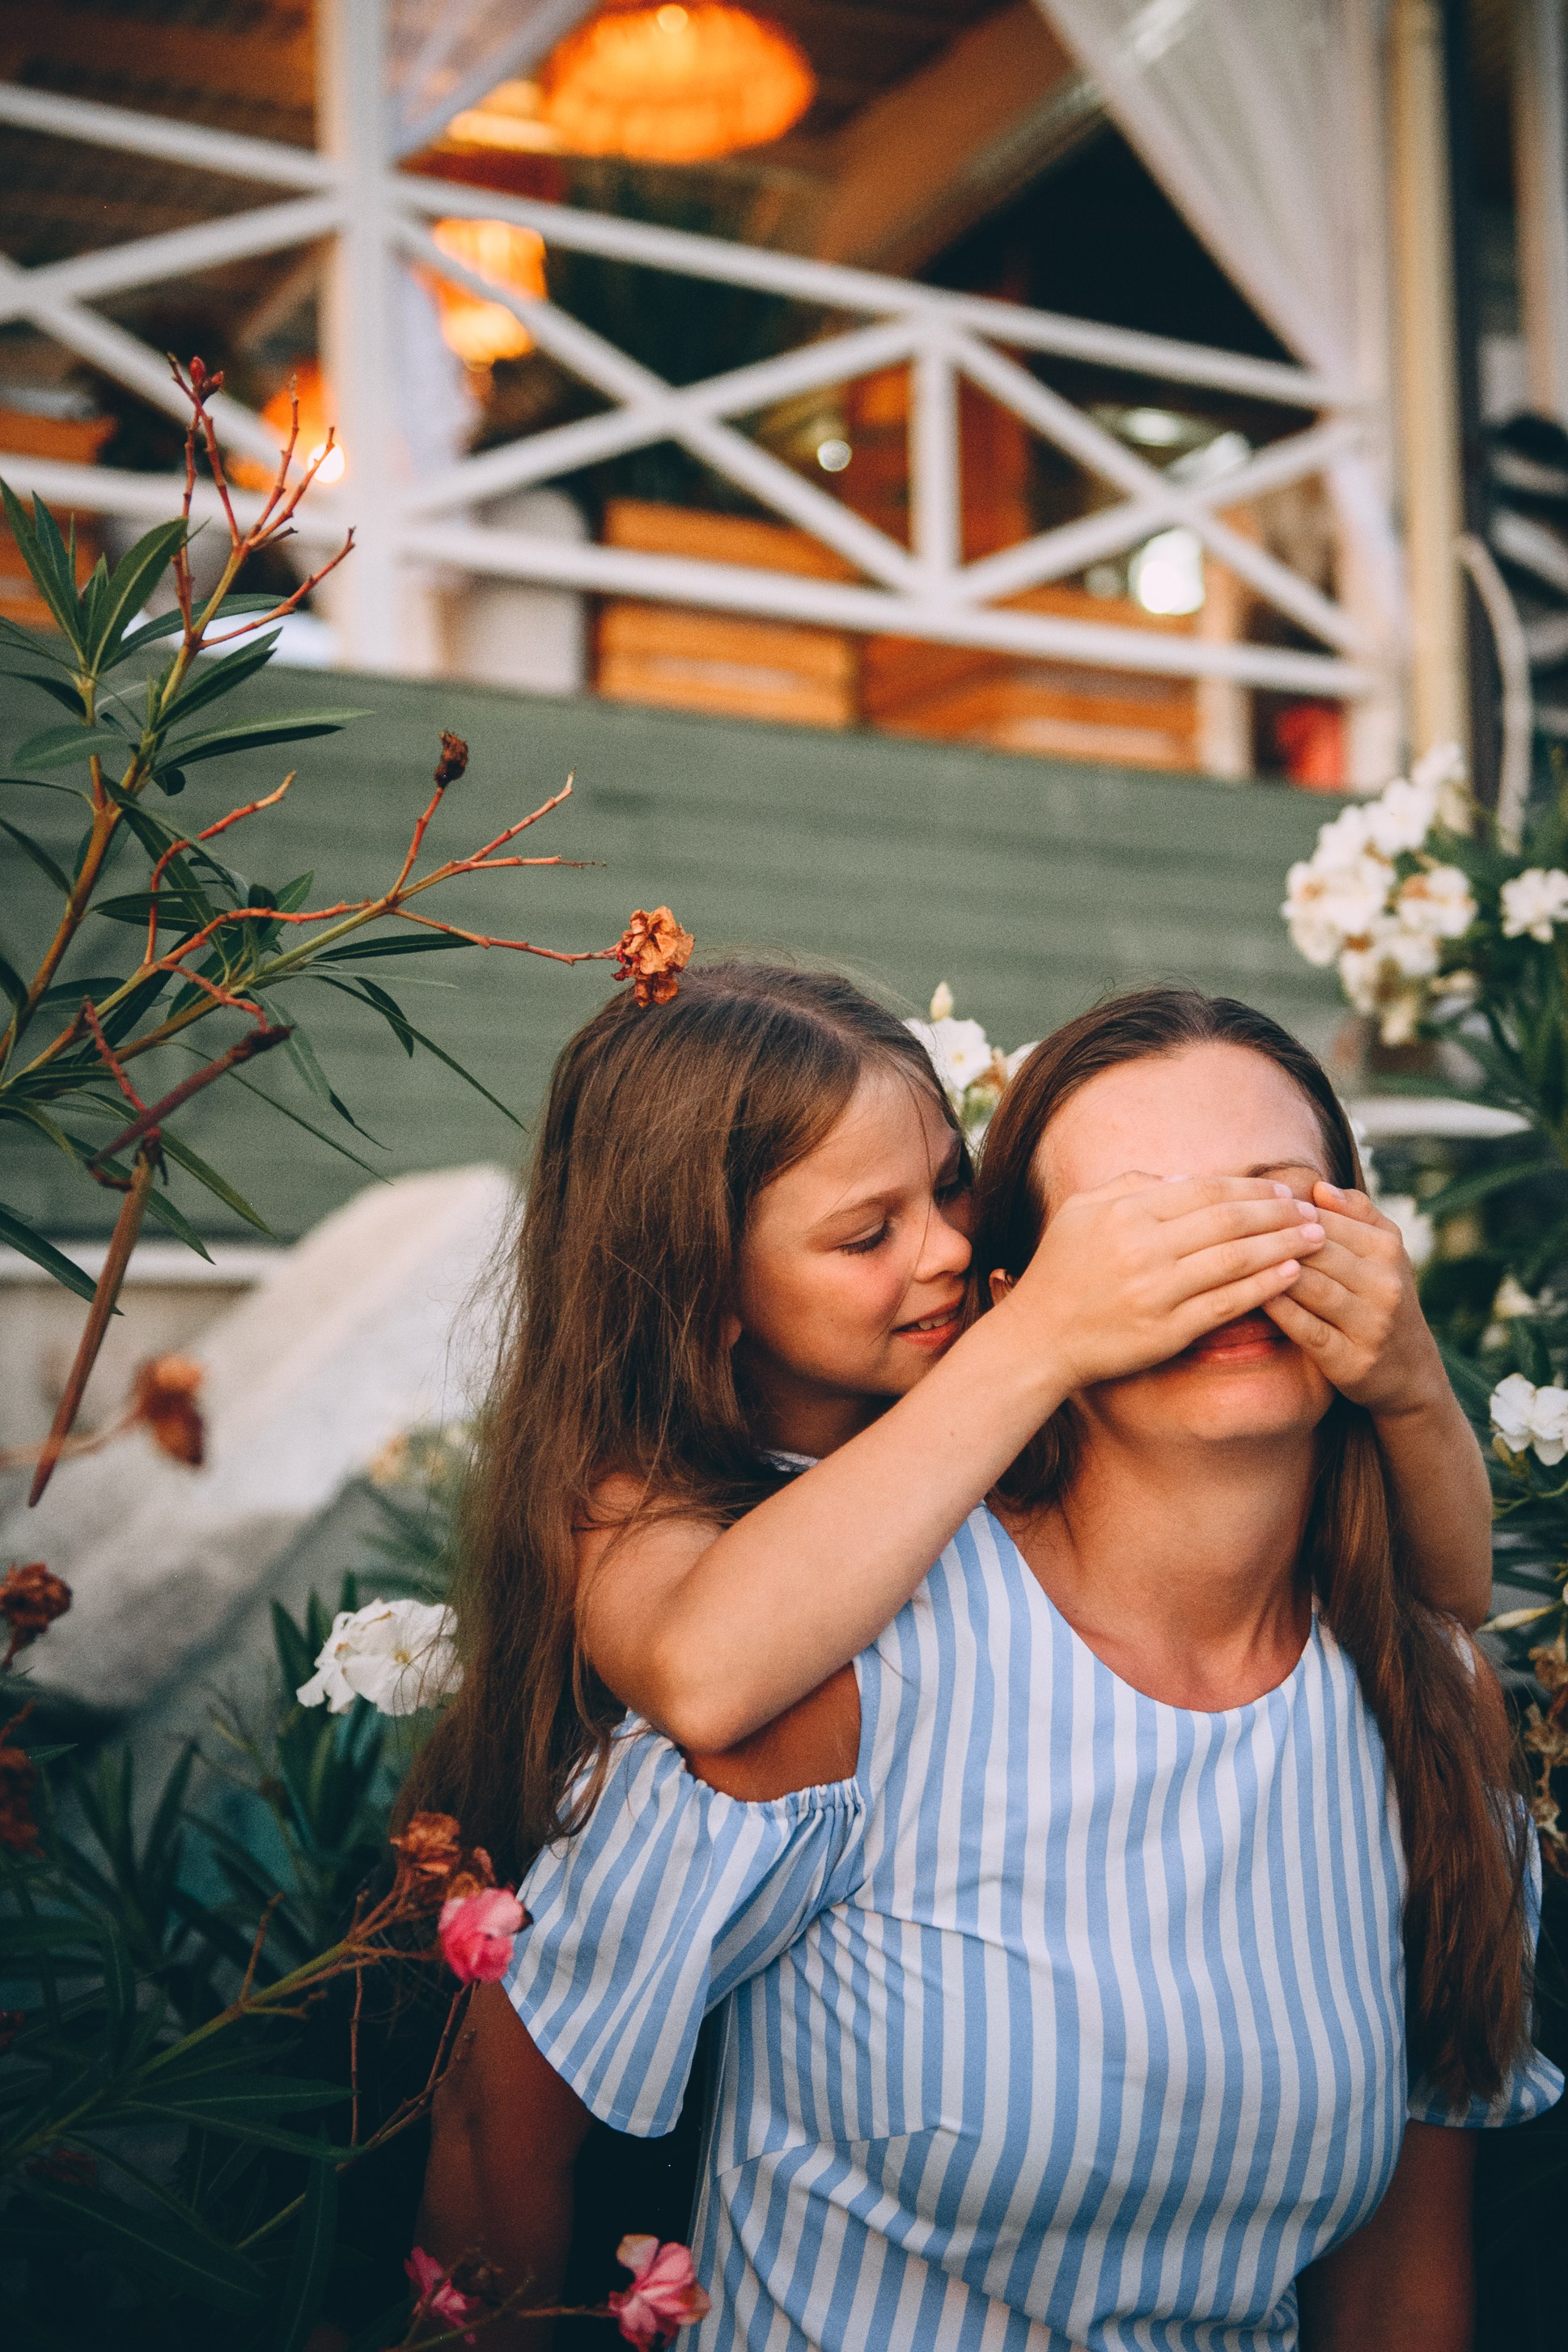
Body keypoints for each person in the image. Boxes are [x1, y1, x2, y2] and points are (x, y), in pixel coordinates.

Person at [413, 976, 1527, 2347]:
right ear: (1022, 1297)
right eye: (1140, 1229)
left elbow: (1402, 2275)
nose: (1226, 1260)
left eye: (1277, 1205)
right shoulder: (793, 1629)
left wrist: (1409, 1378)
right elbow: (498, 2127)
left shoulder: (1416, 1705)